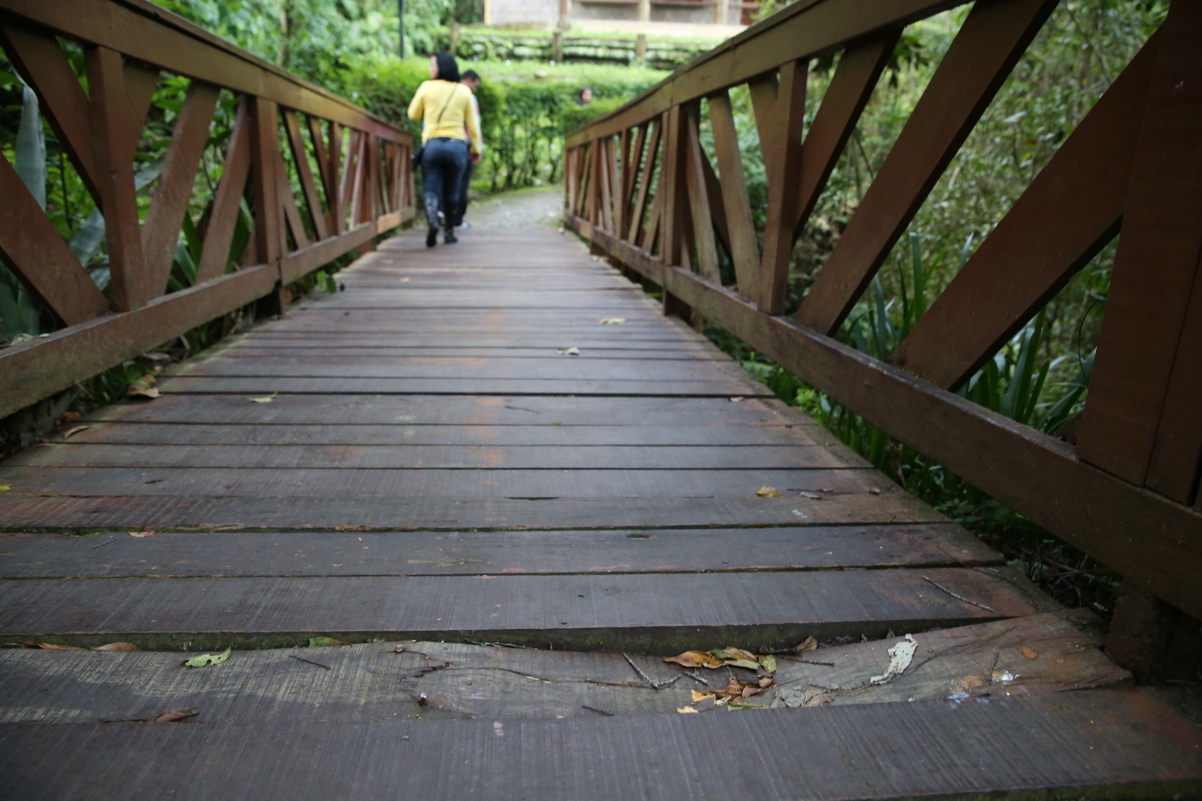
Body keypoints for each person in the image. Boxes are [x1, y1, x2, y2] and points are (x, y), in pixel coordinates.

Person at [408, 52, 483, 247]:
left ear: (440, 67)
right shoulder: (464, 92)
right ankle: (449, 232)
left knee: (431, 187)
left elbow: (413, 114)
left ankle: (432, 220)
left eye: (432, 65)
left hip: (432, 145)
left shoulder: (426, 87)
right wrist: (475, 149)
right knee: (453, 190)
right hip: (457, 145)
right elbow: (473, 127)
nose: (429, 69)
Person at [445, 69, 482, 230]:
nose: (475, 89)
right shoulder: (468, 96)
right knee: (460, 184)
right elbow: (474, 125)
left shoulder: (444, 93)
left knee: (445, 182)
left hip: (440, 142)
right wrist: (477, 148)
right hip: (462, 144)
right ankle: (456, 220)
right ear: (469, 80)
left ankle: (443, 216)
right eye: (475, 85)